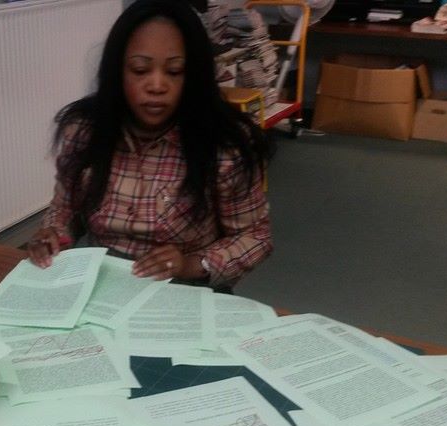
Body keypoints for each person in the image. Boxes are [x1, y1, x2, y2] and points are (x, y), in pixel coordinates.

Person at [28, 0, 272, 291]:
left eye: (174, 71)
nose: (156, 86)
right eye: (140, 70)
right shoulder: (85, 130)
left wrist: (191, 264)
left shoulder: (224, 144)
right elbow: (65, 209)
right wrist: (54, 235)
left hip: (182, 288)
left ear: (193, 75)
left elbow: (255, 237)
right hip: (102, 284)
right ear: (118, 72)